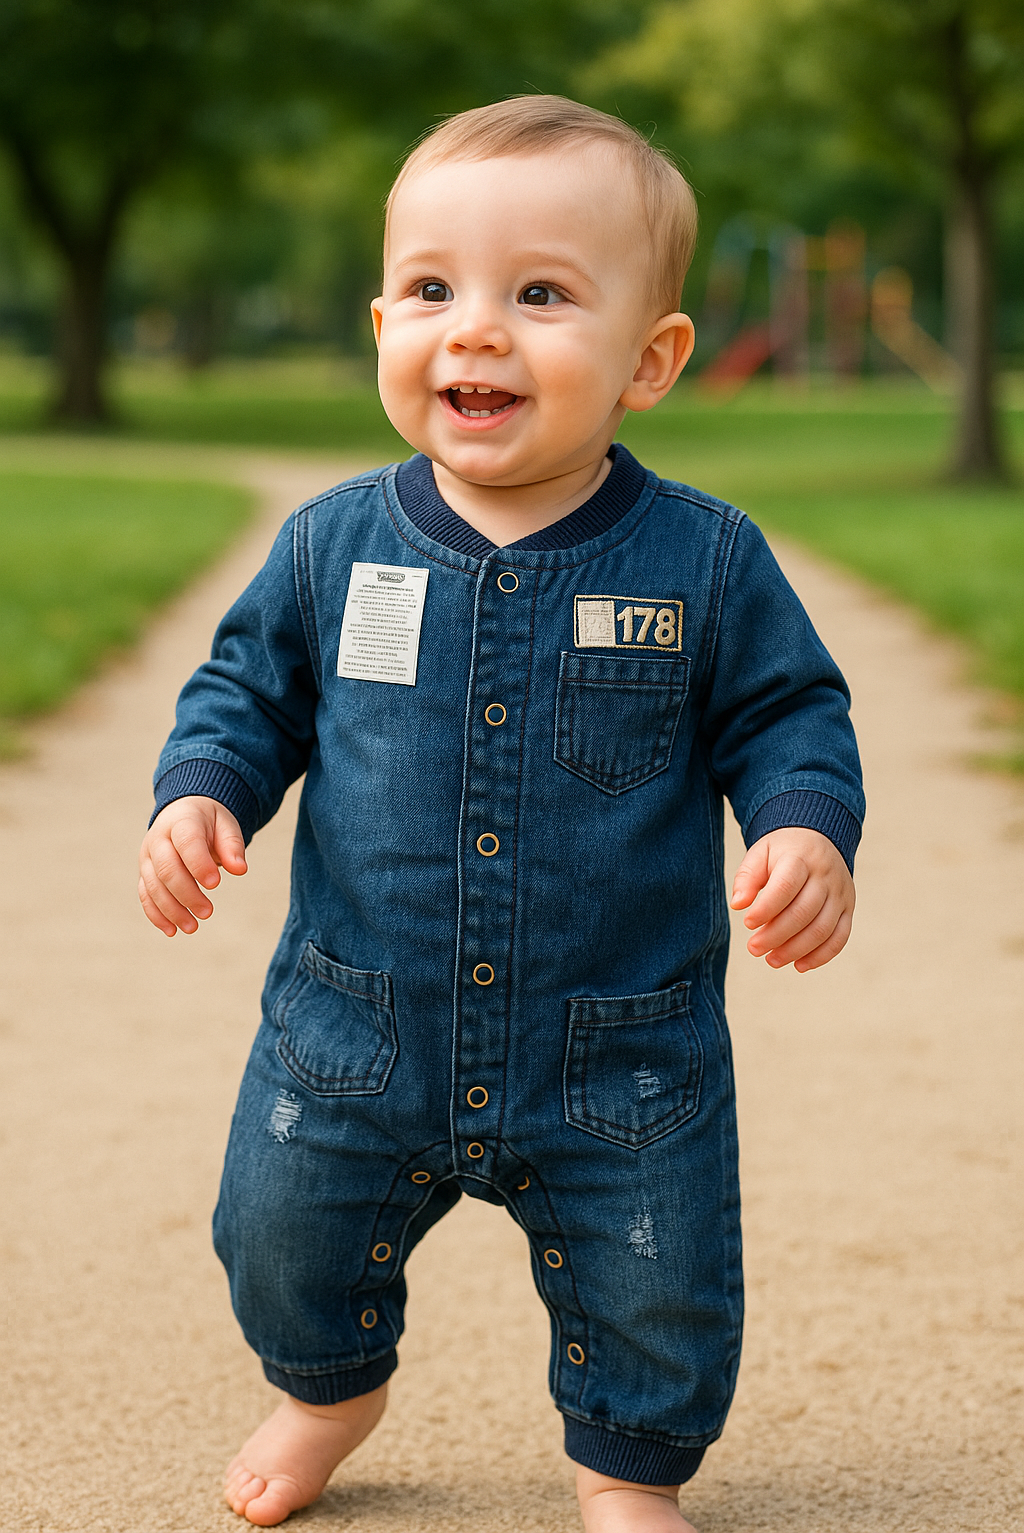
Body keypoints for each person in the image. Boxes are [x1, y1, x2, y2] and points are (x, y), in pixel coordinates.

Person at [139, 95, 863, 1531]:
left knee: (658, 1281)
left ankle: (626, 1471)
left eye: (540, 294)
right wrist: (200, 790)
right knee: (280, 1233)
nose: (473, 329)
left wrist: (805, 826)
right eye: (431, 289)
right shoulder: (334, 544)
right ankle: (325, 1392)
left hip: (619, 1047)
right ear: (381, 322)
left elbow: (788, 712)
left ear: (649, 361)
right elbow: (244, 694)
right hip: (355, 1026)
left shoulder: (703, 560)